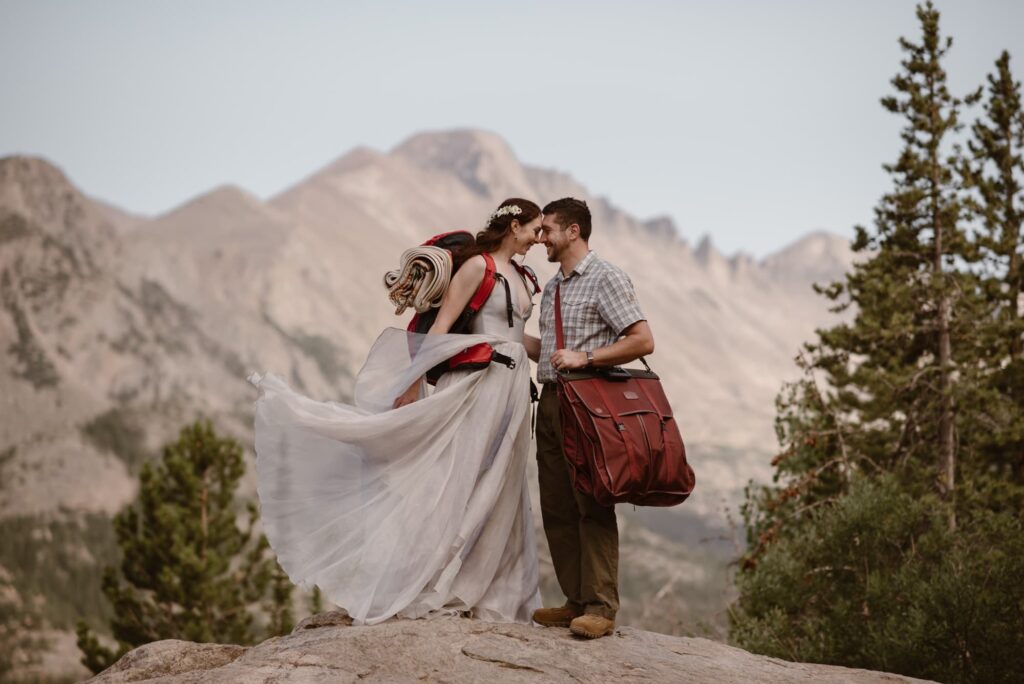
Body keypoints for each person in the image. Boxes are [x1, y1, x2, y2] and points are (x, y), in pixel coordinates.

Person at [248, 198, 544, 625]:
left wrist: (561, 355)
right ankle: (431, 581)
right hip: (477, 385)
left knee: (503, 487)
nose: (537, 239)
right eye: (534, 229)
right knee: (457, 480)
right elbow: (441, 329)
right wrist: (411, 383)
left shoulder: (522, 275)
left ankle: (495, 589)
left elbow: (518, 338)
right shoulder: (479, 268)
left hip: (513, 389)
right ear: (514, 226)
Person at [529, 197, 654, 639]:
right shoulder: (554, 287)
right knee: (556, 505)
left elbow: (642, 340)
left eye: (547, 230)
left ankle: (600, 607)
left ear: (573, 232)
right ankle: (575, 601)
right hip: (549, 402)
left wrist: (587, 356)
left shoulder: (606, 277)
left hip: (589, 404)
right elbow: (547, 352)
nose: (539, 237)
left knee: (592, 502)